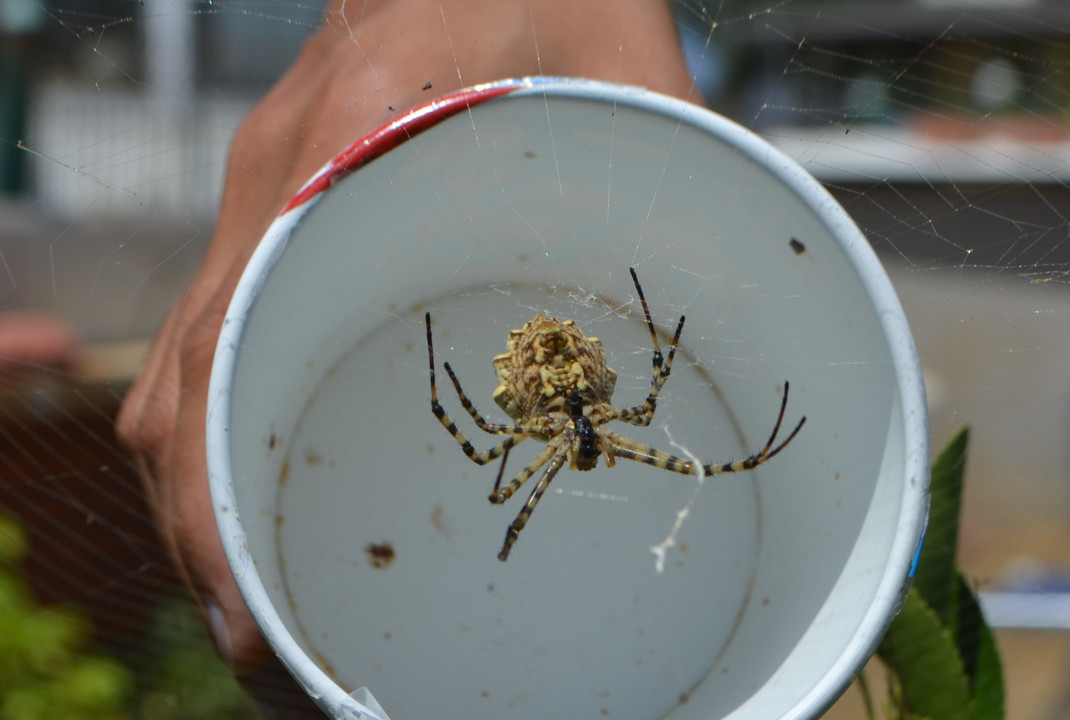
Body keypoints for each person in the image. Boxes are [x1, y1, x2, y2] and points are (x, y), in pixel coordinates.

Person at [115, 0, 698, 712]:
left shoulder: (565, 440)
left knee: (504, 484)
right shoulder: (600, 429)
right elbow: (510, 446)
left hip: (542, 372)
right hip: (559, 361)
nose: (587, 454)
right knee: (512, 482)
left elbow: (486, 452)